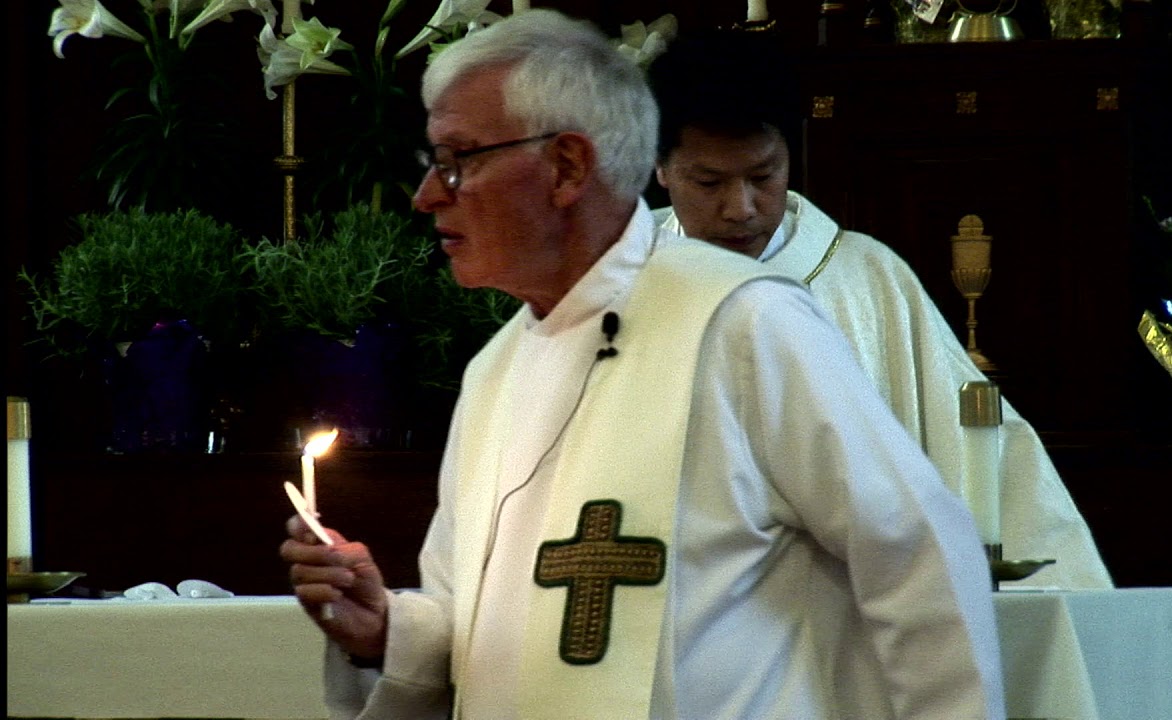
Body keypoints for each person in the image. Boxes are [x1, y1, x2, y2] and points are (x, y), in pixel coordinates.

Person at [281, 9, 1005, 719]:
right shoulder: (497, 369)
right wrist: (385, 632)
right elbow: (476, 623)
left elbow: (916, 560)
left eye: (459, 160)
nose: (428, 194)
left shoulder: (741, 322)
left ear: (566, 166)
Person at [647, 30, 1112, 590]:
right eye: (709, 182)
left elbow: (980, 447)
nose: (740, 208)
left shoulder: (866, 280)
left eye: (763, 177)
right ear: (660, 166)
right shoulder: (629, 279)